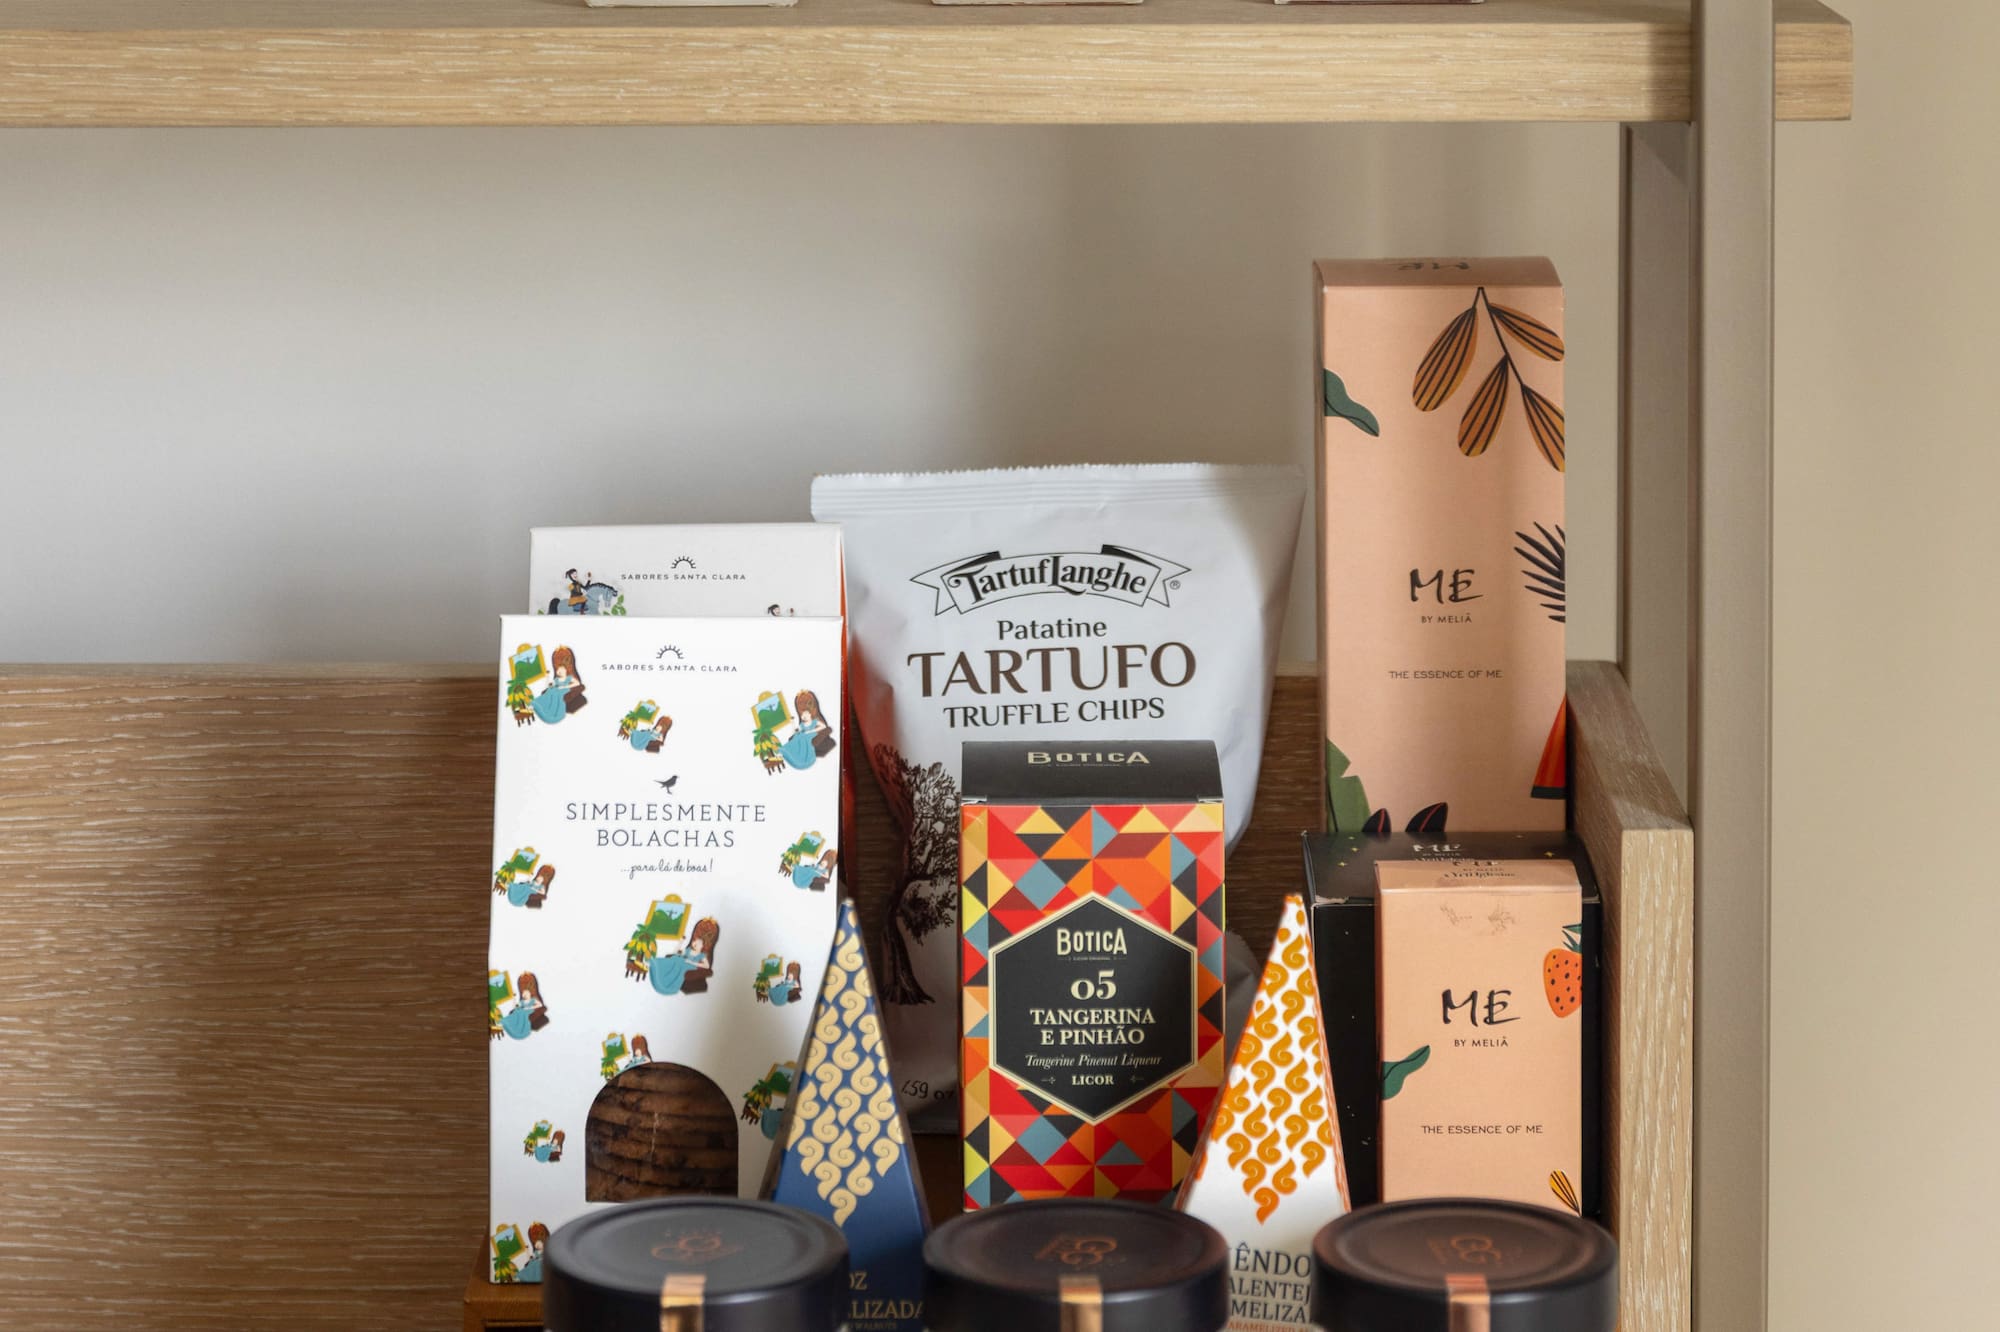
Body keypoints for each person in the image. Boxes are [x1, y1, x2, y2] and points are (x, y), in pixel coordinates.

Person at [648, 918, 718, 997]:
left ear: (702, 946)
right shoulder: (688, 950)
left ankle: (666, 981)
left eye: (698, 943)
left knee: (679, 961)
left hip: (690, 966)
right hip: (682, 961)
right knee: (676, 959)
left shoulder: (702, 955)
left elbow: (707, 966)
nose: (695, 943)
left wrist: (692, 962)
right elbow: (675, 952)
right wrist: (680, 942)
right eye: (695, 941)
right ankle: (657, 967)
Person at [779, 690, 831, 770]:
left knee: (802, 738)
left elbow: (824, 726)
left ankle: (803, 757)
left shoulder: (814, 721)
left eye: (806, 714)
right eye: (803, 715)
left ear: (810, 715)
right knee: (797, 737)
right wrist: (792, 723)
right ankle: (788, 752)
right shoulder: (802, 724)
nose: (804, 716)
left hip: (810, 735)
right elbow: (796, 731)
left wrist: (811, 731)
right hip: (802, 734)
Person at [531, 647, 583, 725]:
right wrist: (547, 677)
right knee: (550, 691)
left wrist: (565, 687)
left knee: (555, 693)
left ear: (565, 670)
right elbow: (550, 685)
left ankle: (552, 712)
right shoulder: (557, 679)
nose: (559, 671)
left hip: (563, 690)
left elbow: (577, 683)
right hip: (556, 689)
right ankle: (539, 706)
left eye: (561, 669)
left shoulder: (569, 678)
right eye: (558, 670)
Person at [501, 972, 546, 1040]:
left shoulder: (533, 1000)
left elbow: (540, 1004)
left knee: (522, 1013)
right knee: (517, 1012)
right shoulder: (522, 1001)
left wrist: (531, 1007)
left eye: (526, 994)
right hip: (522, 1009)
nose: (525, 995)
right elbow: (516, 1006)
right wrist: (514, 999)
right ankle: (510, 1024)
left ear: (529, 994)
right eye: (524, 994)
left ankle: (521, 1028)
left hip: (529, 1010)